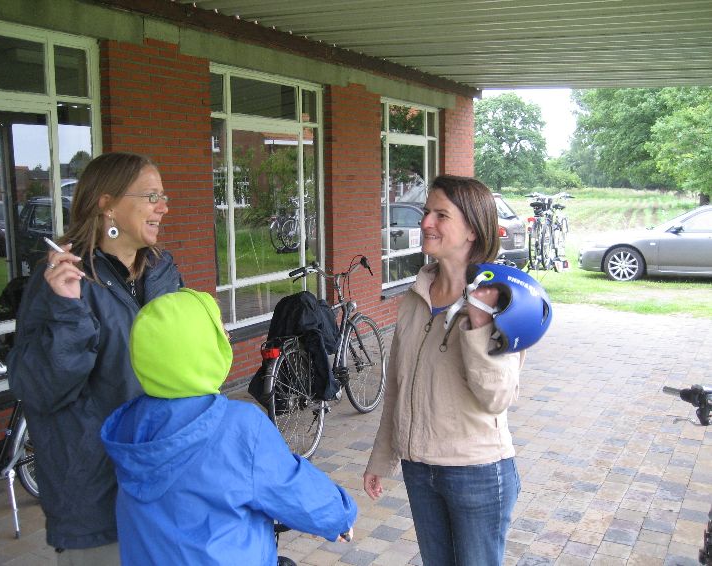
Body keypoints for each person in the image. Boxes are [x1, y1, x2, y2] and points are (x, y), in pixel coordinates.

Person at [8, 152, 182, 565]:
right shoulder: (61, 279)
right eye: (151, 195)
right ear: (107, 203)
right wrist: (68, 313)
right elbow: (38, 388)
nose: (164, 207)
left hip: (164, 480)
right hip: (96, 492)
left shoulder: (162, 270)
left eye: (164, 195)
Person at [100, 288, 357, 565]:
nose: (227, 335)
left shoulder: (128, 425)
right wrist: (339, 517)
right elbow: (291, 485)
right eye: (219, 330)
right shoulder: (238, 426)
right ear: (200, 348)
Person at [363, 175, 523, 566]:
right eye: (425, 213)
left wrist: (479, 320)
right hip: (420, 469)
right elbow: (399, 387)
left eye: (440, 215)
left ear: (471, 229)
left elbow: (496, 397)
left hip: (476, 472)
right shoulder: (416, 296)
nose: (426, 223)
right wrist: (382, 458)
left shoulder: (504, 299)